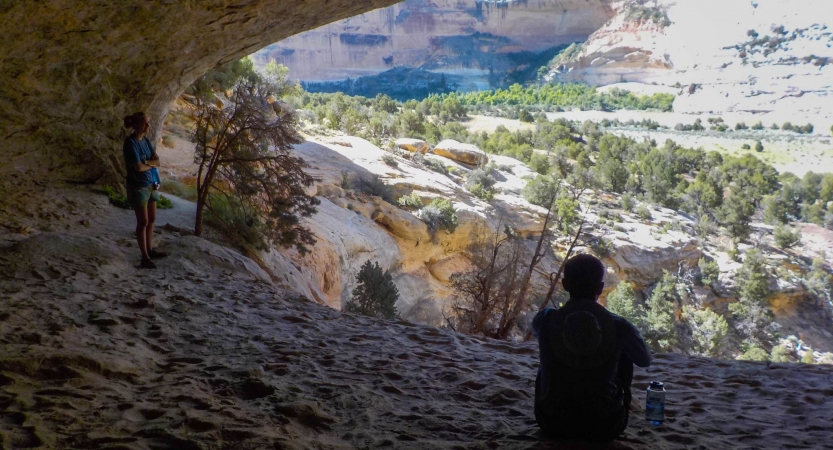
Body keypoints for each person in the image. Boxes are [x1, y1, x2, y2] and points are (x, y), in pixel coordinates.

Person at [532, 254, 651, 443]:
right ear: (600, 288)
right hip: (606, 427)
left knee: (548, 352)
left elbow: (538, 333)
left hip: (550, 424)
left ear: (565, 284)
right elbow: (644, 360)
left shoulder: (545, 319)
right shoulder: (619, 326)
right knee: (623, 352)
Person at [123, 112, 167, 269]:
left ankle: (150, 249)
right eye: (145, 123)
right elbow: (138, 167)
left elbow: (157, 162)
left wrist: (147, 163)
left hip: (151, 183)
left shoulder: (146, 141)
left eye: (148, 123)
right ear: (136, 125)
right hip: (138, 186)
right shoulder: (131, 143)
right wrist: (150, 163)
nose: (148, 126)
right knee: (143, 221)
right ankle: (145, 257)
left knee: (152, 218)